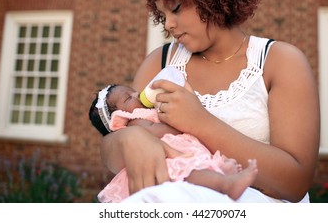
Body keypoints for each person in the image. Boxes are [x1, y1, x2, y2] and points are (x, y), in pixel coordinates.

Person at [99, 0, 320, 203]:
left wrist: (200, 122)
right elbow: (114, 149)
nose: (168, 24)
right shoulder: (159, 62)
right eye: (163, 14)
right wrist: (129, 140)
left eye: (177, 8)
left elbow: (295, 182)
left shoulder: (279, 61)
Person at [89, 84, 258, 203]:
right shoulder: (135, 122)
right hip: (166, 160)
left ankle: (219, 173)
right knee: (187, 172)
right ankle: (225, 184)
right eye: (128, 98)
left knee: (194, 169)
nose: (136, 94)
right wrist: (181, 123)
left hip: (180, 152)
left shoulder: (146, 112)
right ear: (118, 115)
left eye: (133, 92)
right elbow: (159, 132)